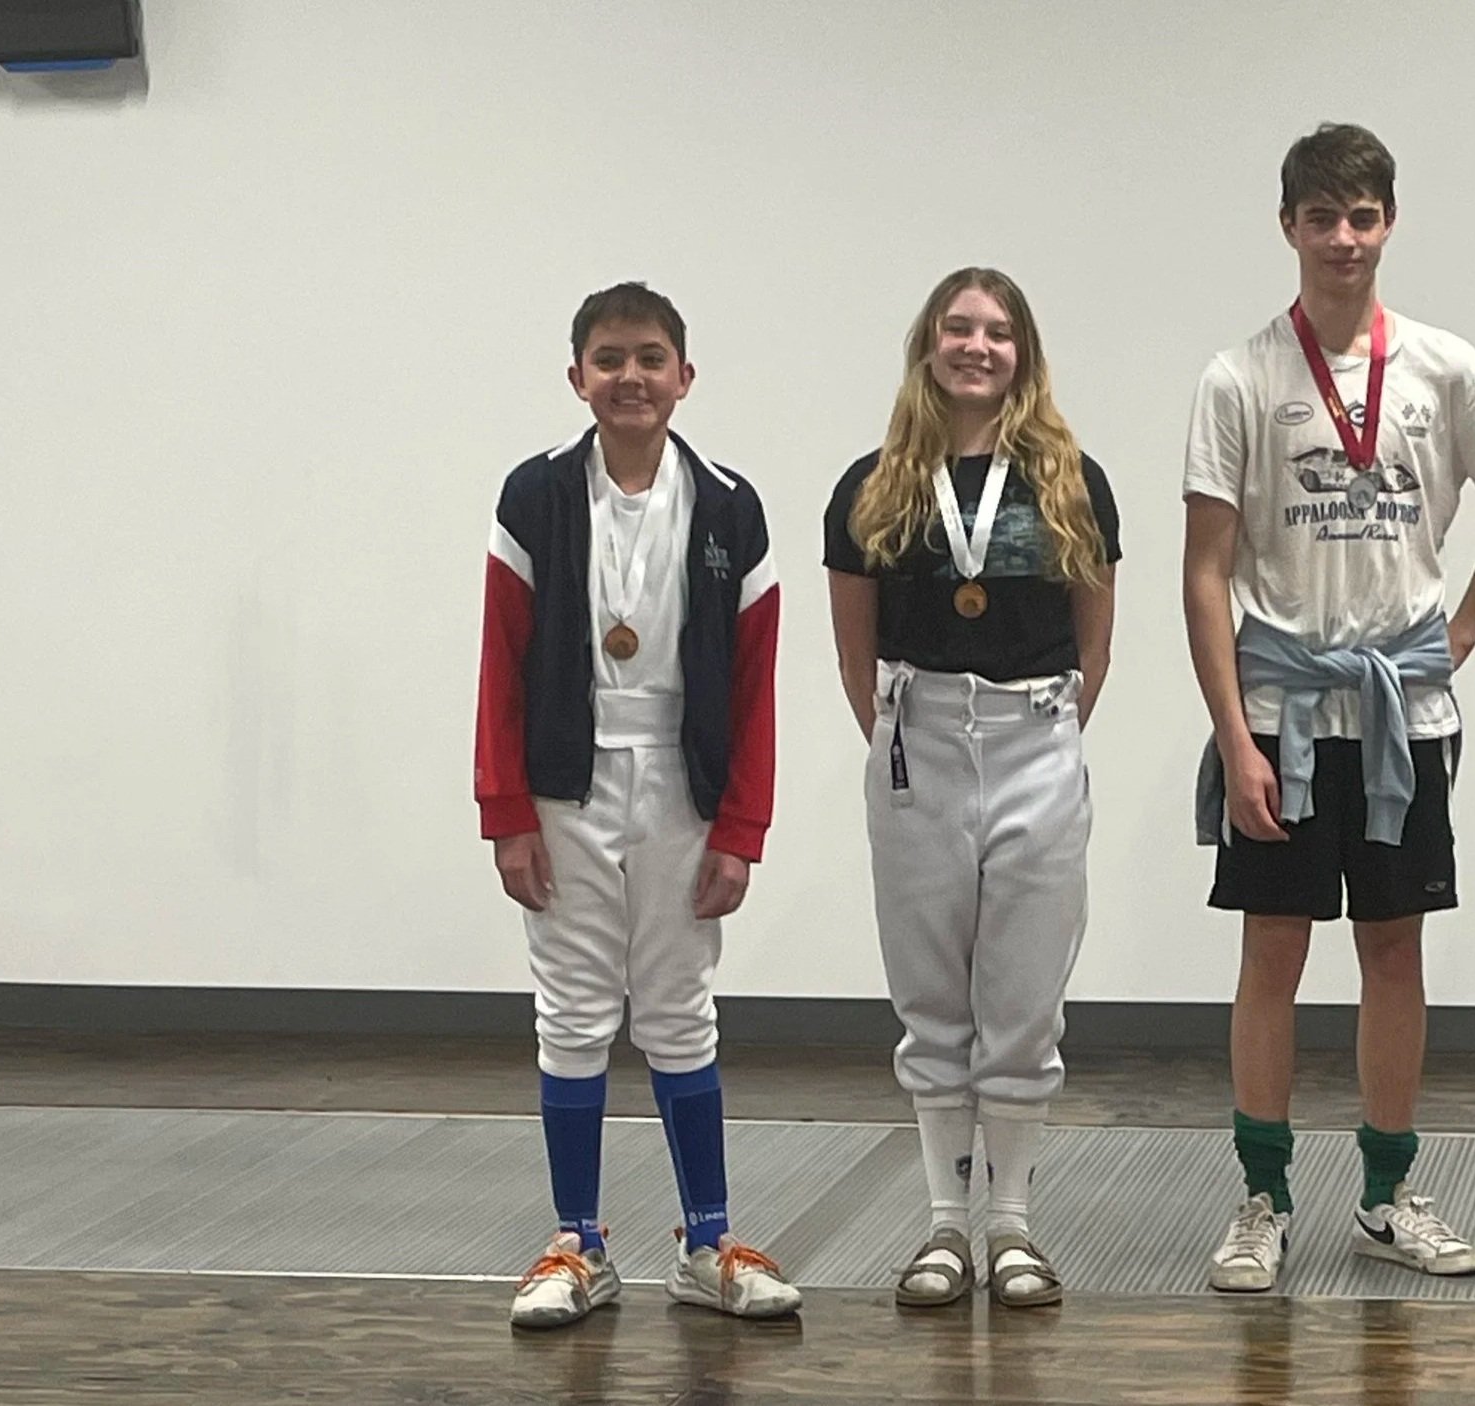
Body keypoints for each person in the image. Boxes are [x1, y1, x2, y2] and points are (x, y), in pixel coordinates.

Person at [1182, 123, 1475, 1293]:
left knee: (1393, 950)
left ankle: (1390, 1193)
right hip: (1283, 716)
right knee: (1271, 952)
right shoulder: (1238, 376)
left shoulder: (1443, 366)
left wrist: (1467, 632)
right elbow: (1203, 570)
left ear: (1388, 222)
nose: (1342, 238)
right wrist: (1235, 733)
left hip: (1402, 716)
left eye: (1362, 216)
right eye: (1320, 217)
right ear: (1287, 225)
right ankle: (1260, 1194)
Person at [475, 281, 800, 1327]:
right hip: (565, 779)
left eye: (650, 357)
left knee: (675, 1005)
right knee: (571, 1008)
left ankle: (706, 1238)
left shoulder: (731, 505)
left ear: (685, 378)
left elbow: (756, 682)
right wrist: (506, 810)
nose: (630, 376)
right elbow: (501, 662)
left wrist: (741, 826)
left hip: (680, 782)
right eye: (609, 358)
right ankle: (578, 1241)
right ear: (577, 377)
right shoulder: (532, 497)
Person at [825, 267, 1120, 1310]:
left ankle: (1013, 1224)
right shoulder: (872, 484)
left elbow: (1096, 632)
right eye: (958, 328)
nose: (976, 346)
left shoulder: (1071, 480)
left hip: (1035, 732)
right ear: (928, 345)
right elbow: (853, 646)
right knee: (931, 998)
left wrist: (1045, 729)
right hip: (918, 742)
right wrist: (902, 734)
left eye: (997, 332)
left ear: (1021, 354)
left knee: (1023, 1000)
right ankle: (945, 1226)